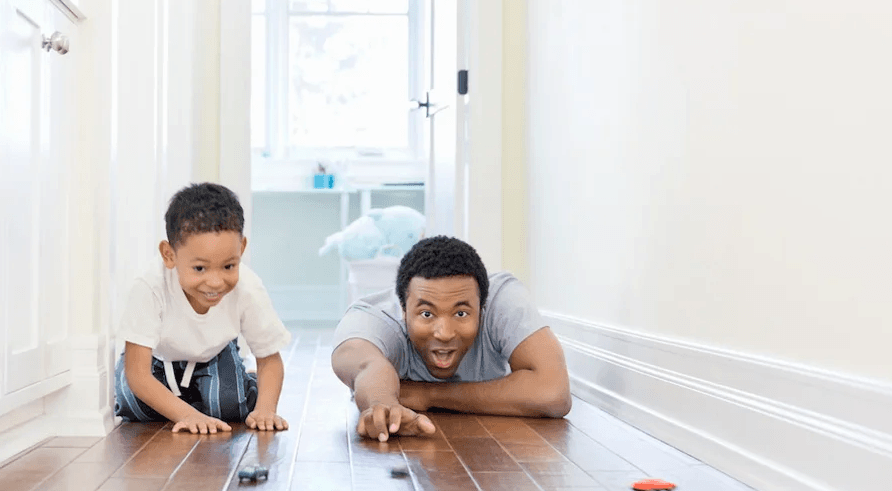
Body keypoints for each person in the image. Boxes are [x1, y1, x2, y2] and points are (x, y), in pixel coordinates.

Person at [331, 235, 571, 441]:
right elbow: (366, 364)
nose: (444, 333)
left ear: (482, 308)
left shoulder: (502, 299)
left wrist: (427, 394)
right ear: (403, 311)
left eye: (461, 313)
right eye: (426, 314)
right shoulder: (373, 319)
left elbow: (553, 393)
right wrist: (382, 404)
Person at [114, 182, 292, 434]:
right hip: (157, 360)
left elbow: (269, 359)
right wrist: (186, 415)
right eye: (200, 268)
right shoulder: (149, 286)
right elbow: (137, 373)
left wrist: (265, 409)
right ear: (169, 255)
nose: (216, 282)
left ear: (241, 249)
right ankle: (191, 404)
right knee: (133, 406)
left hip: (214, 354)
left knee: (229, 406)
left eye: (229, 266)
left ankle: (240, 384)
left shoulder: (249, 288)